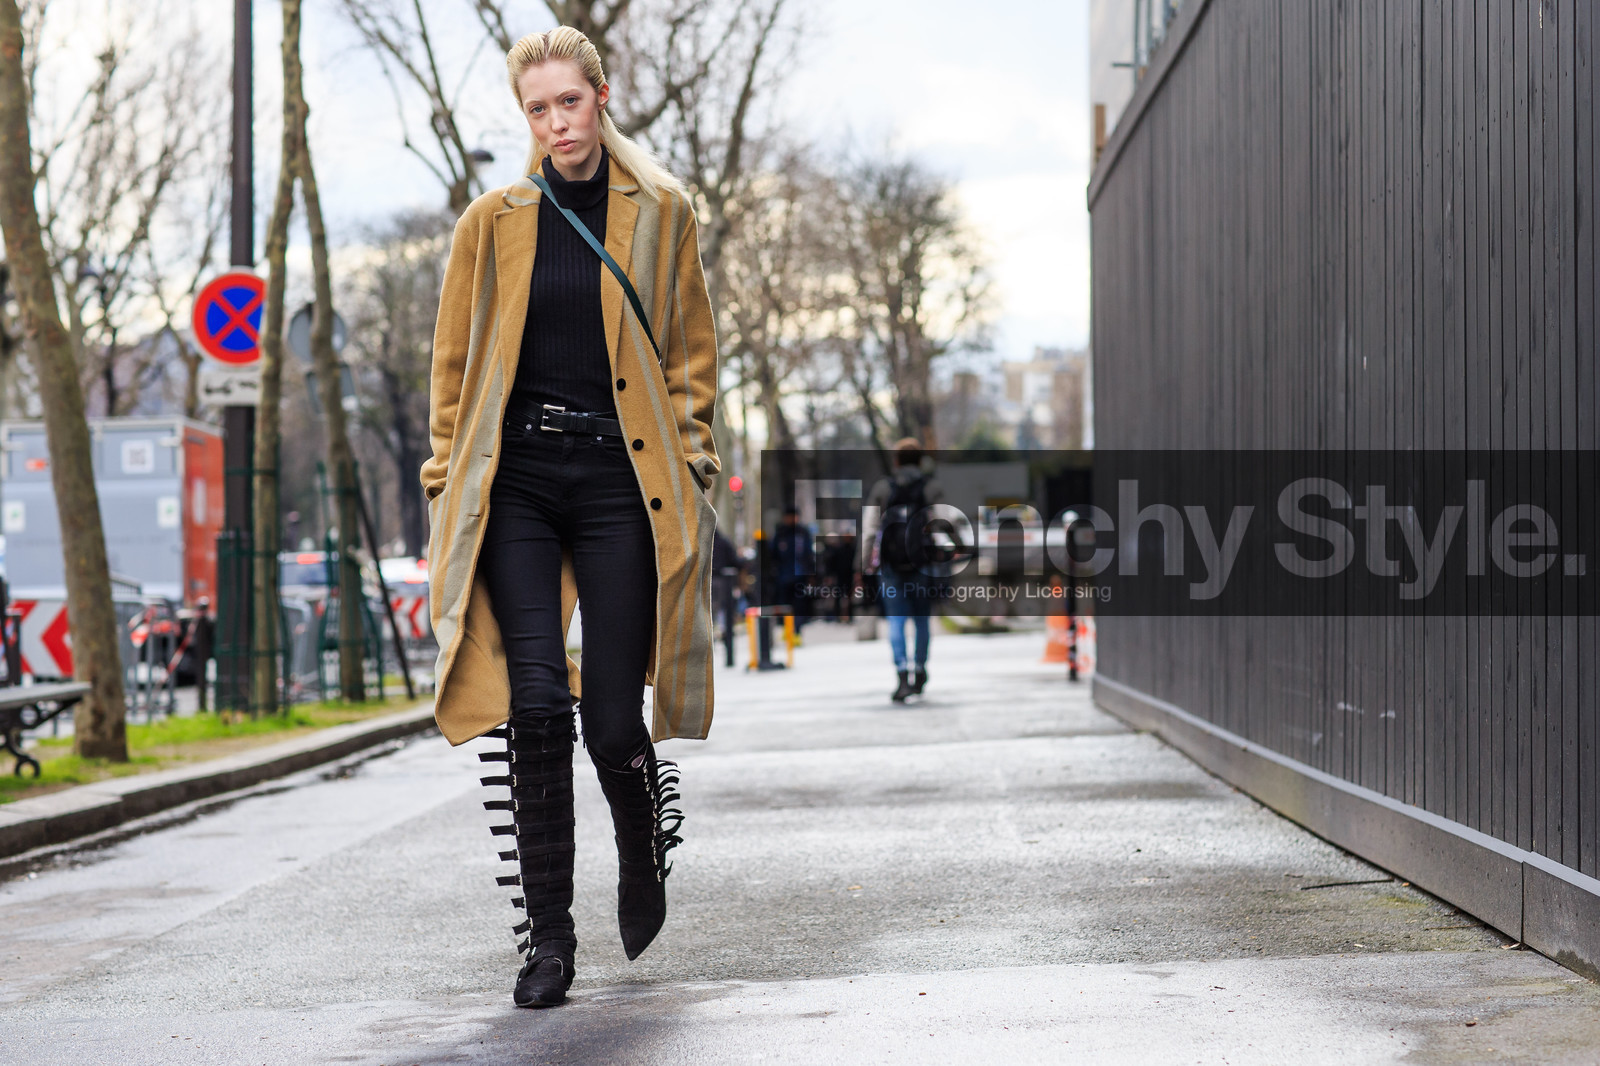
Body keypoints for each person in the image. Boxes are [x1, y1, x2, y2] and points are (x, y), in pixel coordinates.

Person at [420, 26, 722, 1009]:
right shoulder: (492, 220)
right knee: (535, 703)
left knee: (607, 720)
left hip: (617, 482)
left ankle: (642, 842)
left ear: (600, 95)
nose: (556, 122)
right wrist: (442, 480)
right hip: (515, 482)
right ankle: (548, 939)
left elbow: (688, 361)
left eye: (569, 101)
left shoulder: (660, 214)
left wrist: (696, 460)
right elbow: (454, 369)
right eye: (538, 108)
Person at [862, 438, 945, 702]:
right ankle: (920, 669)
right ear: (921, 460)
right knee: (922, 620)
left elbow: (869, 530)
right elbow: (946, 523)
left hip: (891, 565)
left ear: (896, 462)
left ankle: (901, 673)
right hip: (921, 563)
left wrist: (863, 564)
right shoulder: (931, 487)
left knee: (895, 621)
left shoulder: (883, 489)